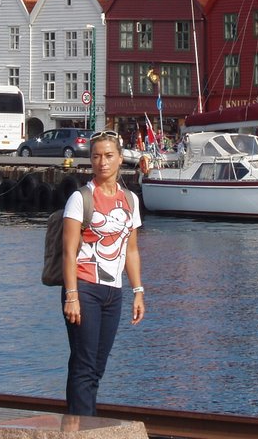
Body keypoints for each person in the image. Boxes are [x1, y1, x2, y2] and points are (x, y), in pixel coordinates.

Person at [62, 130, 144, 416]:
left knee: (97, 366)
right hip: (84, 287)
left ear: (120, 159)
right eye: (96, 156)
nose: (102, 162)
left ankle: (81, 422)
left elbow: (131, 250)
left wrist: (138, 291)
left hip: (113, 292)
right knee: (84, 364)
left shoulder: (130, 200)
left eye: (109, 156)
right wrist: (71, 295)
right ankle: (82, 428)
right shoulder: (81, 198)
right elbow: (68, 252)